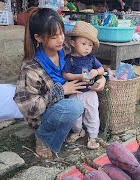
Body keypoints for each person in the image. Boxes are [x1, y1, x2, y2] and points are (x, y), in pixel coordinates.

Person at [13, 8, 106, 158]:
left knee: (79, 105)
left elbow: (91, 67)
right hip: (47, 114)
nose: (60, 39)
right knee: (73, 106)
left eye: (61, 33)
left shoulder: (67, 50)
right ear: (38, 38)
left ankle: (71, 129)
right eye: (54, 36)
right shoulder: (31, 68)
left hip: (67, 105)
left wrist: (101, 78)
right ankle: (43, 136)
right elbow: (29, 108)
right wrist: (62, 90)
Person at [62, 21, 104, 150]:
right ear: (73, 43)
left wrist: (96, 72)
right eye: (83, 44)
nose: (87, 48)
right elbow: (65, 74)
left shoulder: (91, 58)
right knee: (75, 117)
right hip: (75, 91)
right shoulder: (69, 59)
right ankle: (78, 131)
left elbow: (102, 69)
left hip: (90, 91)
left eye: (90, 45)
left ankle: (92, 136)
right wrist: (78, 77)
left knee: (92, 114)